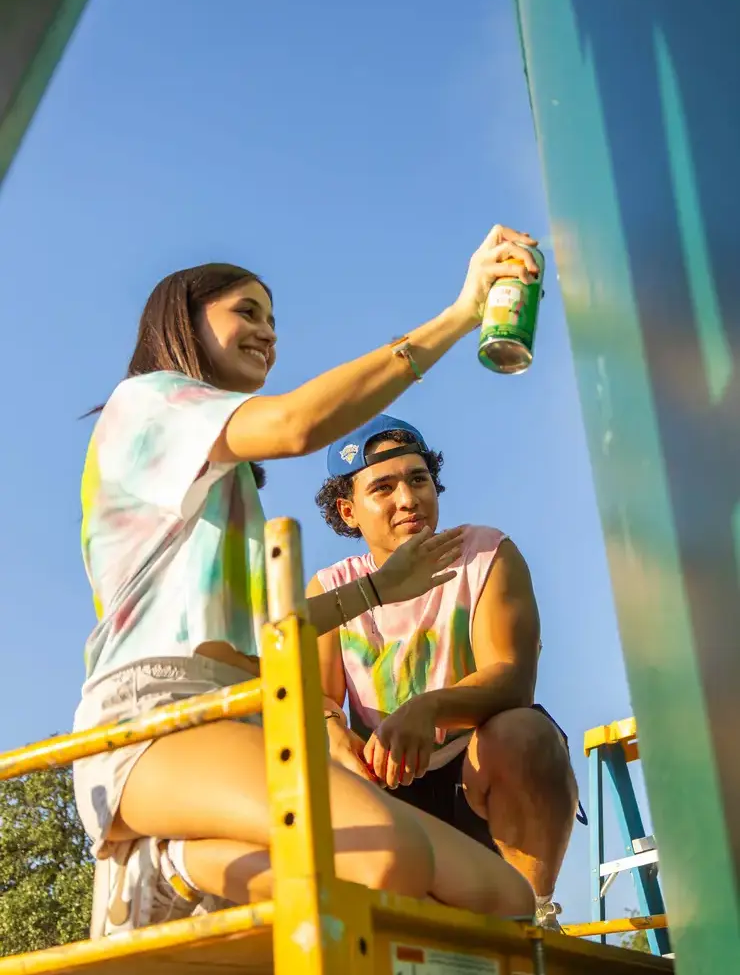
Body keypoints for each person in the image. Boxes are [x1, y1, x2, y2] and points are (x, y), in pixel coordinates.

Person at [73, 225, 540, 936]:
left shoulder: (228, 494)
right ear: (184, 318)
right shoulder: (145, 403)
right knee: (386, 860)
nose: (268, 332)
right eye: (247, 311)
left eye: (273, 318)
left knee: (502, 895)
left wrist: (383, 589)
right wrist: (461, 314)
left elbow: (275, 630)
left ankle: (209, 859)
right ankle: (167, 867)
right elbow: (296, 425)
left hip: (247, 714)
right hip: (154, 720)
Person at [310, 415, 581, 930]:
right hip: (386, 787)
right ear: (349, 511)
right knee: (310, 769)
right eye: (383, 488)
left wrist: (427, 708)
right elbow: (318, 704)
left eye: (418, 479)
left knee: (523, 733)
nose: (408, 499)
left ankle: (531, 917)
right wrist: (334, 739)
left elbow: (513, 677)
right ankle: (364, 927)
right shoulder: (332, 589)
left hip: (474, 781)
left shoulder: (487, 552)